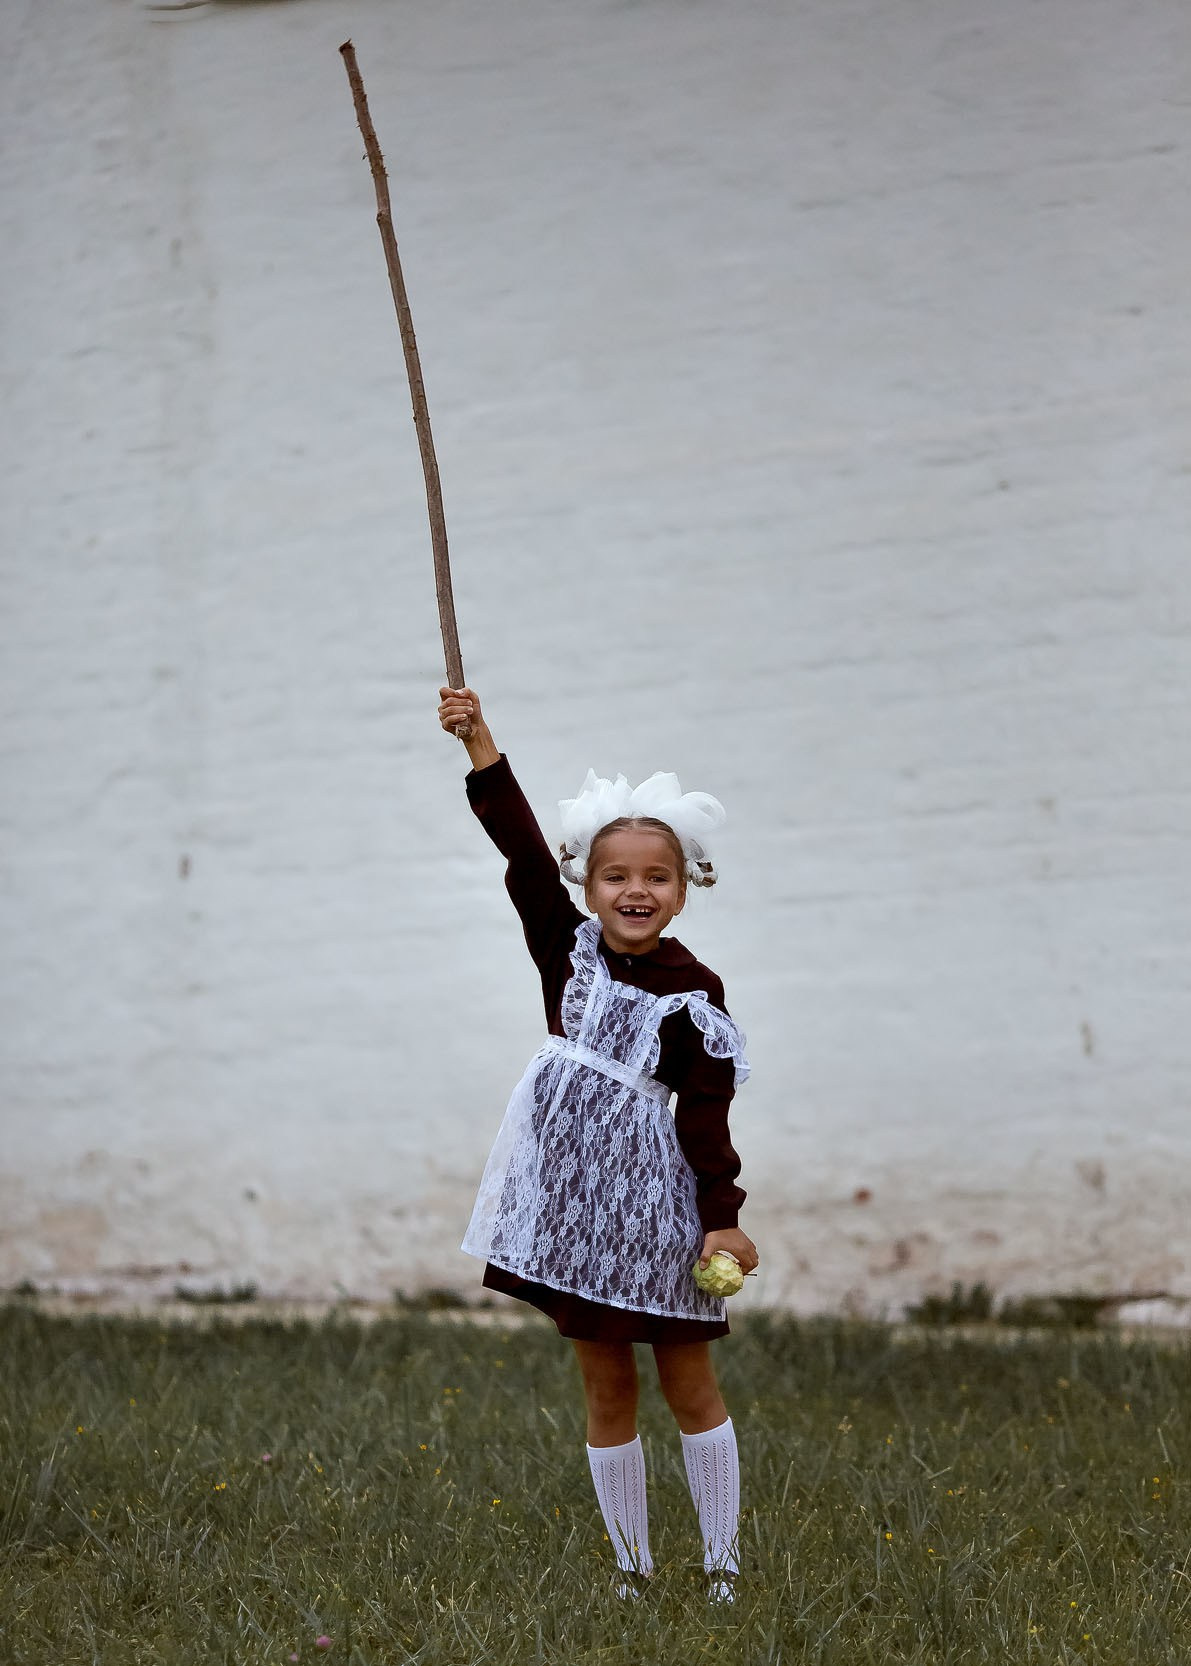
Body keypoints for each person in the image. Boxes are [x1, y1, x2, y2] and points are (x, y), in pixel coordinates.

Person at [437, 685, 758, 1601]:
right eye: (615, 876)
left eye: (655, 877)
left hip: (653, 1213)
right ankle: (631, 1569)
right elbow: (522, 850)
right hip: (576, 1213)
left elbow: (705, 1117)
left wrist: (721, 1222)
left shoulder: (695, 991)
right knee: (605, 1389)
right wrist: (481, 745)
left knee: (688, 1386)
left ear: (683, 888)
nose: (634, 891)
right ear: (588, 889)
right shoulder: (566, 950)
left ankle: (722, 1567)